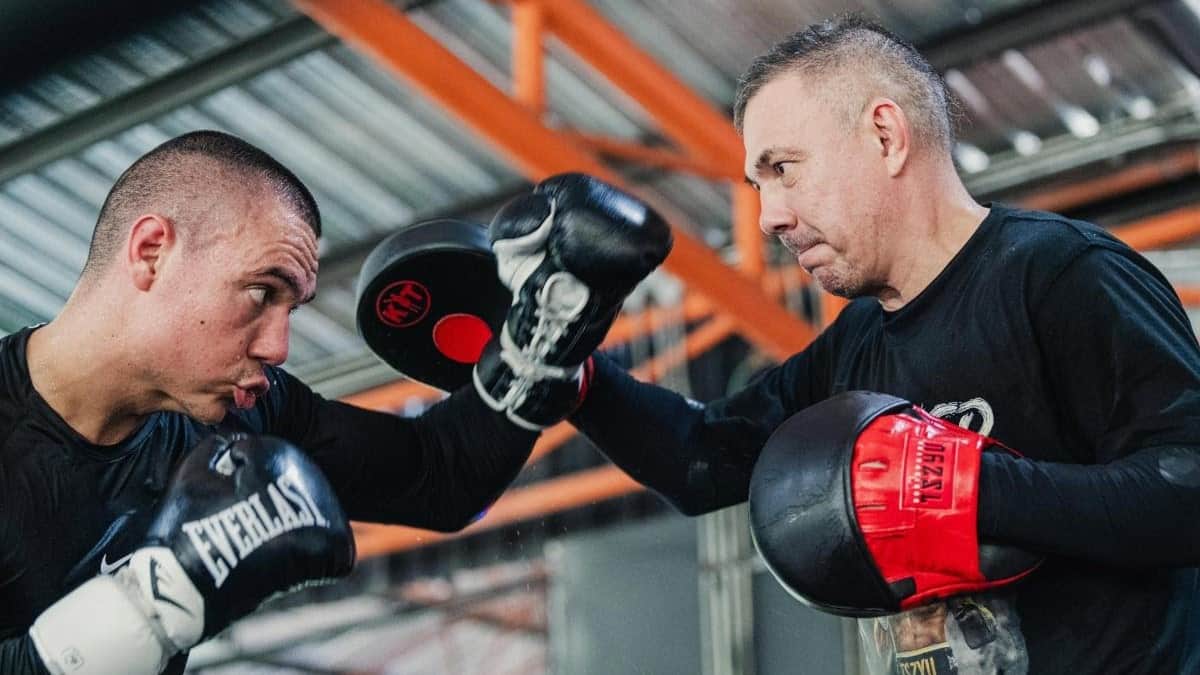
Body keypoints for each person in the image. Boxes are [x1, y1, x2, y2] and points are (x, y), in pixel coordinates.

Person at [562, 15, 1200, 674]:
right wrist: (570, 375)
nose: (769, 216)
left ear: (886, 136)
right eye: (759, 185)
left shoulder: (1062, 276)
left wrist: (969, 489)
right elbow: (700, 459)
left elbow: (1187, 488)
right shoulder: (853, 346)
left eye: (784, 169)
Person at [0, 131, 671, 674]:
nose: (279, 346)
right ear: (151, 253)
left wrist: (542, 342)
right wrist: (153, 602)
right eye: (262, 292)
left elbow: (439, 474)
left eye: (292, 308)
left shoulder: (244, 414)